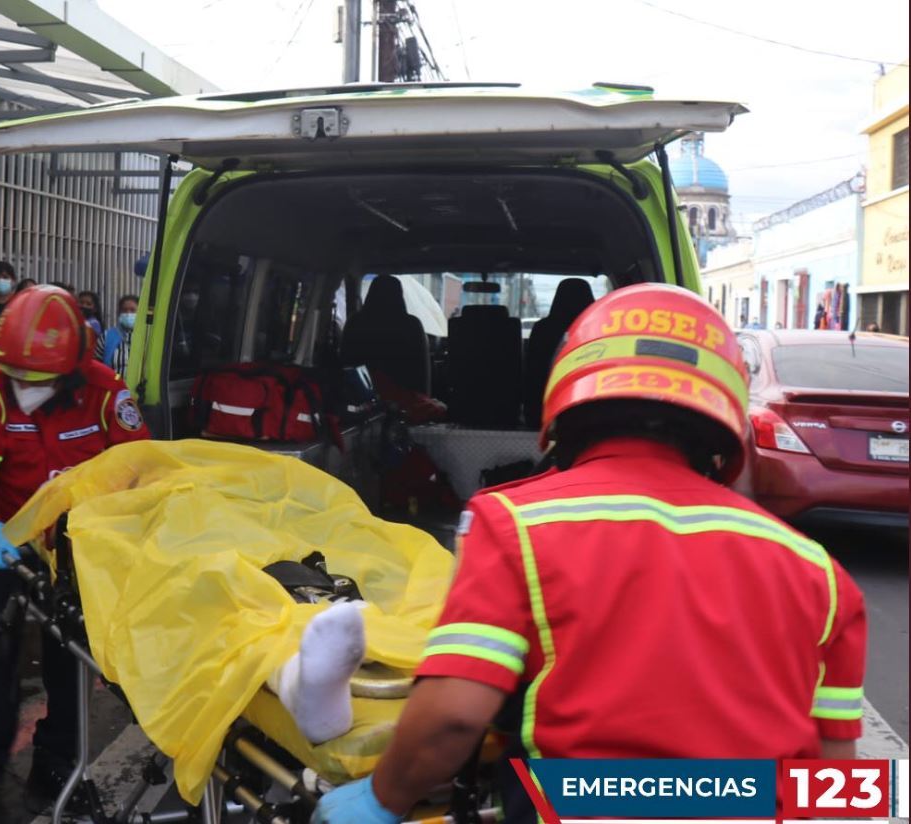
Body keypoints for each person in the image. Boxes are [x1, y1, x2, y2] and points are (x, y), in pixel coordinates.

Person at [315, 284, 866, 824]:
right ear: (725, 419)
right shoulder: (820, 572)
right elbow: (837, 781)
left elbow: (454, 719)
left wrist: (380, 799)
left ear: (568, 397)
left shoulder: (514, 525)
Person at [0, 285, 151, 823]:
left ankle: (56, 765)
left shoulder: (106, 391)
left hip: (74, 541)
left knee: (72, 654)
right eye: (19, 378)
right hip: (2, 534)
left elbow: (136, 468)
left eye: (38, 382)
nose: (26, 390)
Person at [522, 277, 595, 428]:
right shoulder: (596, 329)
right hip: (587, 414)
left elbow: (532, 374)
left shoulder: (542, 329)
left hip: (542, 413)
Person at [341, 275, 429, 394]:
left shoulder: (354, 323)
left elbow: (345, 365)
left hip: (360, 398)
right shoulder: (412, 326)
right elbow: (422, 376)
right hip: (404, 401)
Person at [102, 294, 139, 374]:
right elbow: (97, 364)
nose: (128, 313)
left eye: (133, 310)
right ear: (119, 313)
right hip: (113, 384)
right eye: (124, 310)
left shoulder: (148, 337)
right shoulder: (106, 336)